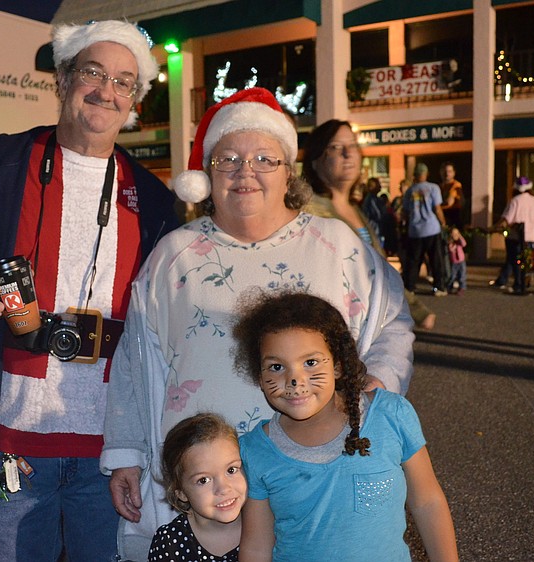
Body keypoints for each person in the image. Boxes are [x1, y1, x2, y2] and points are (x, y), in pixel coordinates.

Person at [0, 20, 180, 562]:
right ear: (63, 79)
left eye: (125, 82)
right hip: (11, 440)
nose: (107, 90)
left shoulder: (151, 198)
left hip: (110, 448)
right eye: (93, 72)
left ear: (135, 101)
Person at [101, 88, 415, 561]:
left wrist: (373, 385)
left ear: (288, 171)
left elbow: (393, 319)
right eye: (227, 159)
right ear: (207, 174)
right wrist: (126, 453)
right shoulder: (172, 255)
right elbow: (133, 358)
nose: (245, 172)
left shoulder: (336, 244)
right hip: (204, 496)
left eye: (264, 159)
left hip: (312, 486)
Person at [233, 291, 458, 562]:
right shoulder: (256, 450)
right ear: (259, 376)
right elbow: (257, 546)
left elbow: (428, 502)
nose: (294, 379)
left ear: (338, 365)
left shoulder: (391, 416)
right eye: (277, 366)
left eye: (310, 362)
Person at [301, 119, 436, 330]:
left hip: (368, 327)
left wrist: (418, 310)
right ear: (316, 161)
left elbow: (381, 269)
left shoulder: (356, 210)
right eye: (336, 147)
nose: (348, 153)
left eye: (353, 145)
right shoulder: (308, 210)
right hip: (333, 329)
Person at [149, 413, 246, 562]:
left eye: (231, 470)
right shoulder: (169, 542)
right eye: (203, 480)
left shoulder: (267, 524)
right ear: (181, 492)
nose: (223, 488)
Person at [490, 176, 534, 295]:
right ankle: (507, 280)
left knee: (514, 259)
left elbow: (507, 219)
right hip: (529, 236)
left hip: (514, 236)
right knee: (523, 260)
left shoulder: (515, 201)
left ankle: (518, 283)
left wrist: (494, 228)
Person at [403, 163, 448, 296]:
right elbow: (437, 209)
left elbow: (406, 212)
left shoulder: (409, 191)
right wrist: (443, 223)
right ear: (426, 174)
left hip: (415, 230)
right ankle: (438, 287)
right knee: (436, 259)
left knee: (414, 260)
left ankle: (410, 288)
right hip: (432, 228)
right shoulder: (433, 188)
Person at [439, 161, 464, 229]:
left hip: (452, 216)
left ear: (454, 173)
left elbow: (449, 202)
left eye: (449, 171)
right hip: (441, 215)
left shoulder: (456, 185)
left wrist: (436, 206)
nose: (447, 174)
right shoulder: (440, 186)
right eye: (445, 171)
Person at [447, 226, 467, 294]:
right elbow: (450, 249)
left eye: (457, 233)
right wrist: (453, 243)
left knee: (462, 275)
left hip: (461, 261)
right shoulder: (451, 243)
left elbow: (464, 244)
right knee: (452, 276)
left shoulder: (459, 242)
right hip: (454, 262)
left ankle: (462, 288)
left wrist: (460, 237)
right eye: (454, 234)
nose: (455, 235)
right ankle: (449, 287)